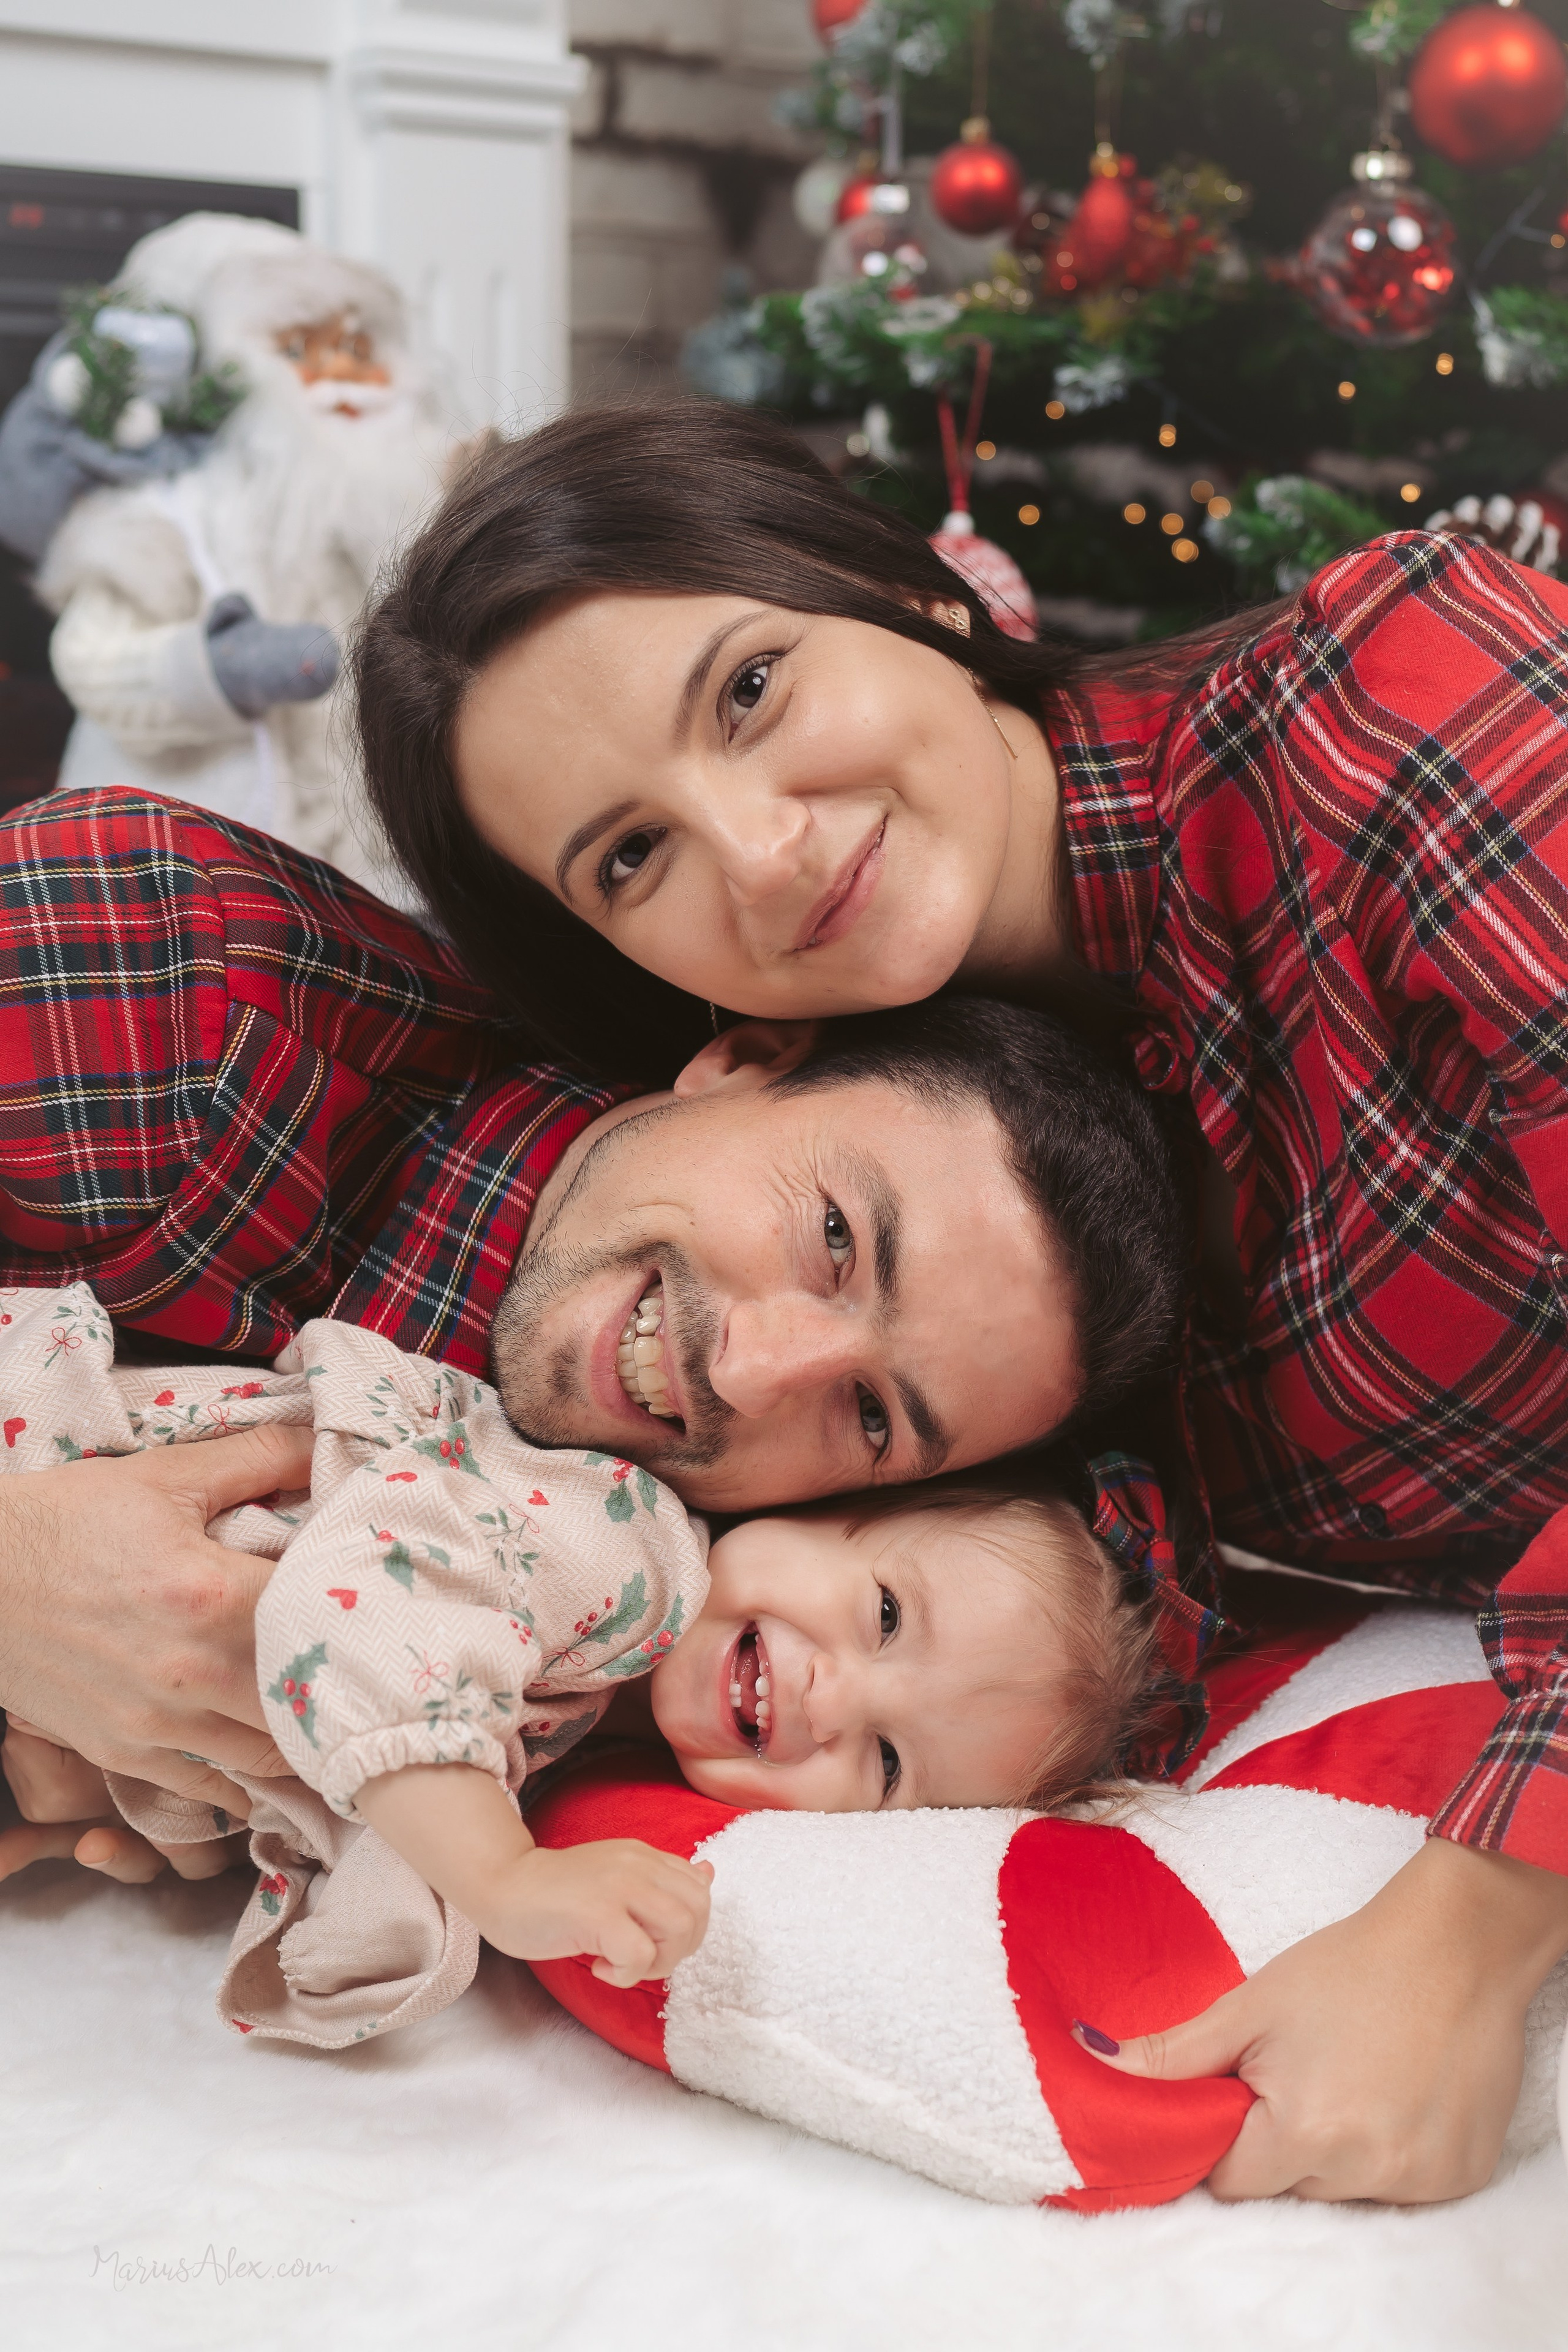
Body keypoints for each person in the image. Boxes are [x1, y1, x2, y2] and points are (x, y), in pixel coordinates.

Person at [349, 399, 1568, 2207]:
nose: (757, 857)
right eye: (630, 858)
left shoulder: (1392, 708)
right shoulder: (834, 1214)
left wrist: (1478, 1915)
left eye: (747, 691)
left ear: (903, 589)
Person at [0, 784, 1189, 1801]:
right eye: (831, 1238)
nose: (748, 1368)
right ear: (745, 1060)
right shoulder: (173, 996)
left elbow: (1098, 1627)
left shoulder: (697, 1575)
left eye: (872, 1416)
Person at [1, 1280, 1156, 2043]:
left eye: (891, 1762)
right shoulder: (628, 1546)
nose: (834, 1694)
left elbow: (378, 1778)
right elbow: (365, 1606)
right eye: (889, 1616)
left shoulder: (583, 1734)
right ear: (821, 1510)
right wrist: (502, 1883)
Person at [16, 213, 459, 886]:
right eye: (298, 347)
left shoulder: (426, 496)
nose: (340, 370)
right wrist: (216, 671)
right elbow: (92, 656)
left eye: (358, 344)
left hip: (371, 870)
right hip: (190, 875)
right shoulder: (164, 512)